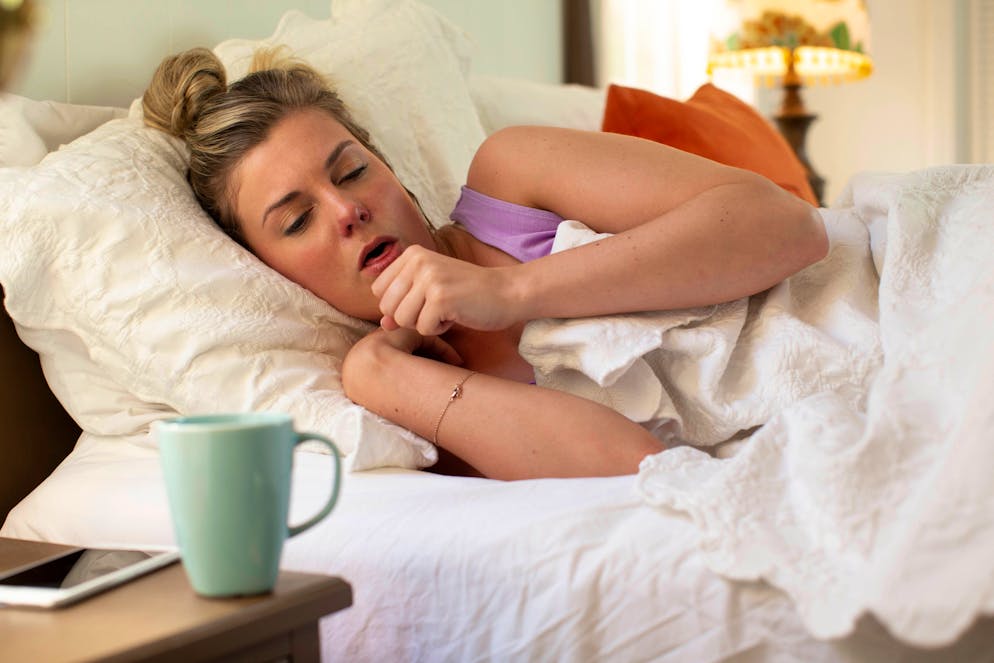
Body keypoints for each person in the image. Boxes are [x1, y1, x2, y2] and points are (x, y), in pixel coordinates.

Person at [142, 48, 827, 480]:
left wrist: (511, 289)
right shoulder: (406, 403)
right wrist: (377, 373)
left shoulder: (512, 177)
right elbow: (642, 470)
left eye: (351, 171)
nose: (344, 209)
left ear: (393, 172)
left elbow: (790, 227)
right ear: (273, 273)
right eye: (296, 220)